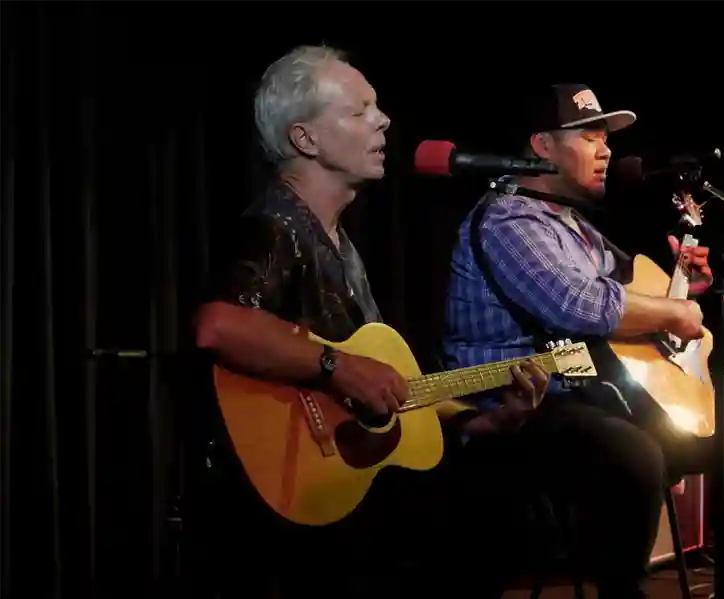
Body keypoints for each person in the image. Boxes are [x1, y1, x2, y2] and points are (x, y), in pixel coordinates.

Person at [191, 45, 550, 599]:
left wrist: (485, 421)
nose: (382, 120)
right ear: (304, 139)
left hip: (351, 480)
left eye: (377, 107)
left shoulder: (343, 246)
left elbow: (397, 399)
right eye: (359, 111)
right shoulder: (275, 225)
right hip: (292, 501)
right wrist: (336, 365)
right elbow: (218, 325)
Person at [441, 83, 724, 599]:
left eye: (607, 139)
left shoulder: (575, 226)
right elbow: (578, 307)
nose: (607, 151)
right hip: (520, 407)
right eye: (590, 137)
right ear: (542, 145)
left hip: (596, 395)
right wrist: (675, 310)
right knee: (631, 452)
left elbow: (626, 294)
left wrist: (684, 286)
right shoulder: (508, 219)